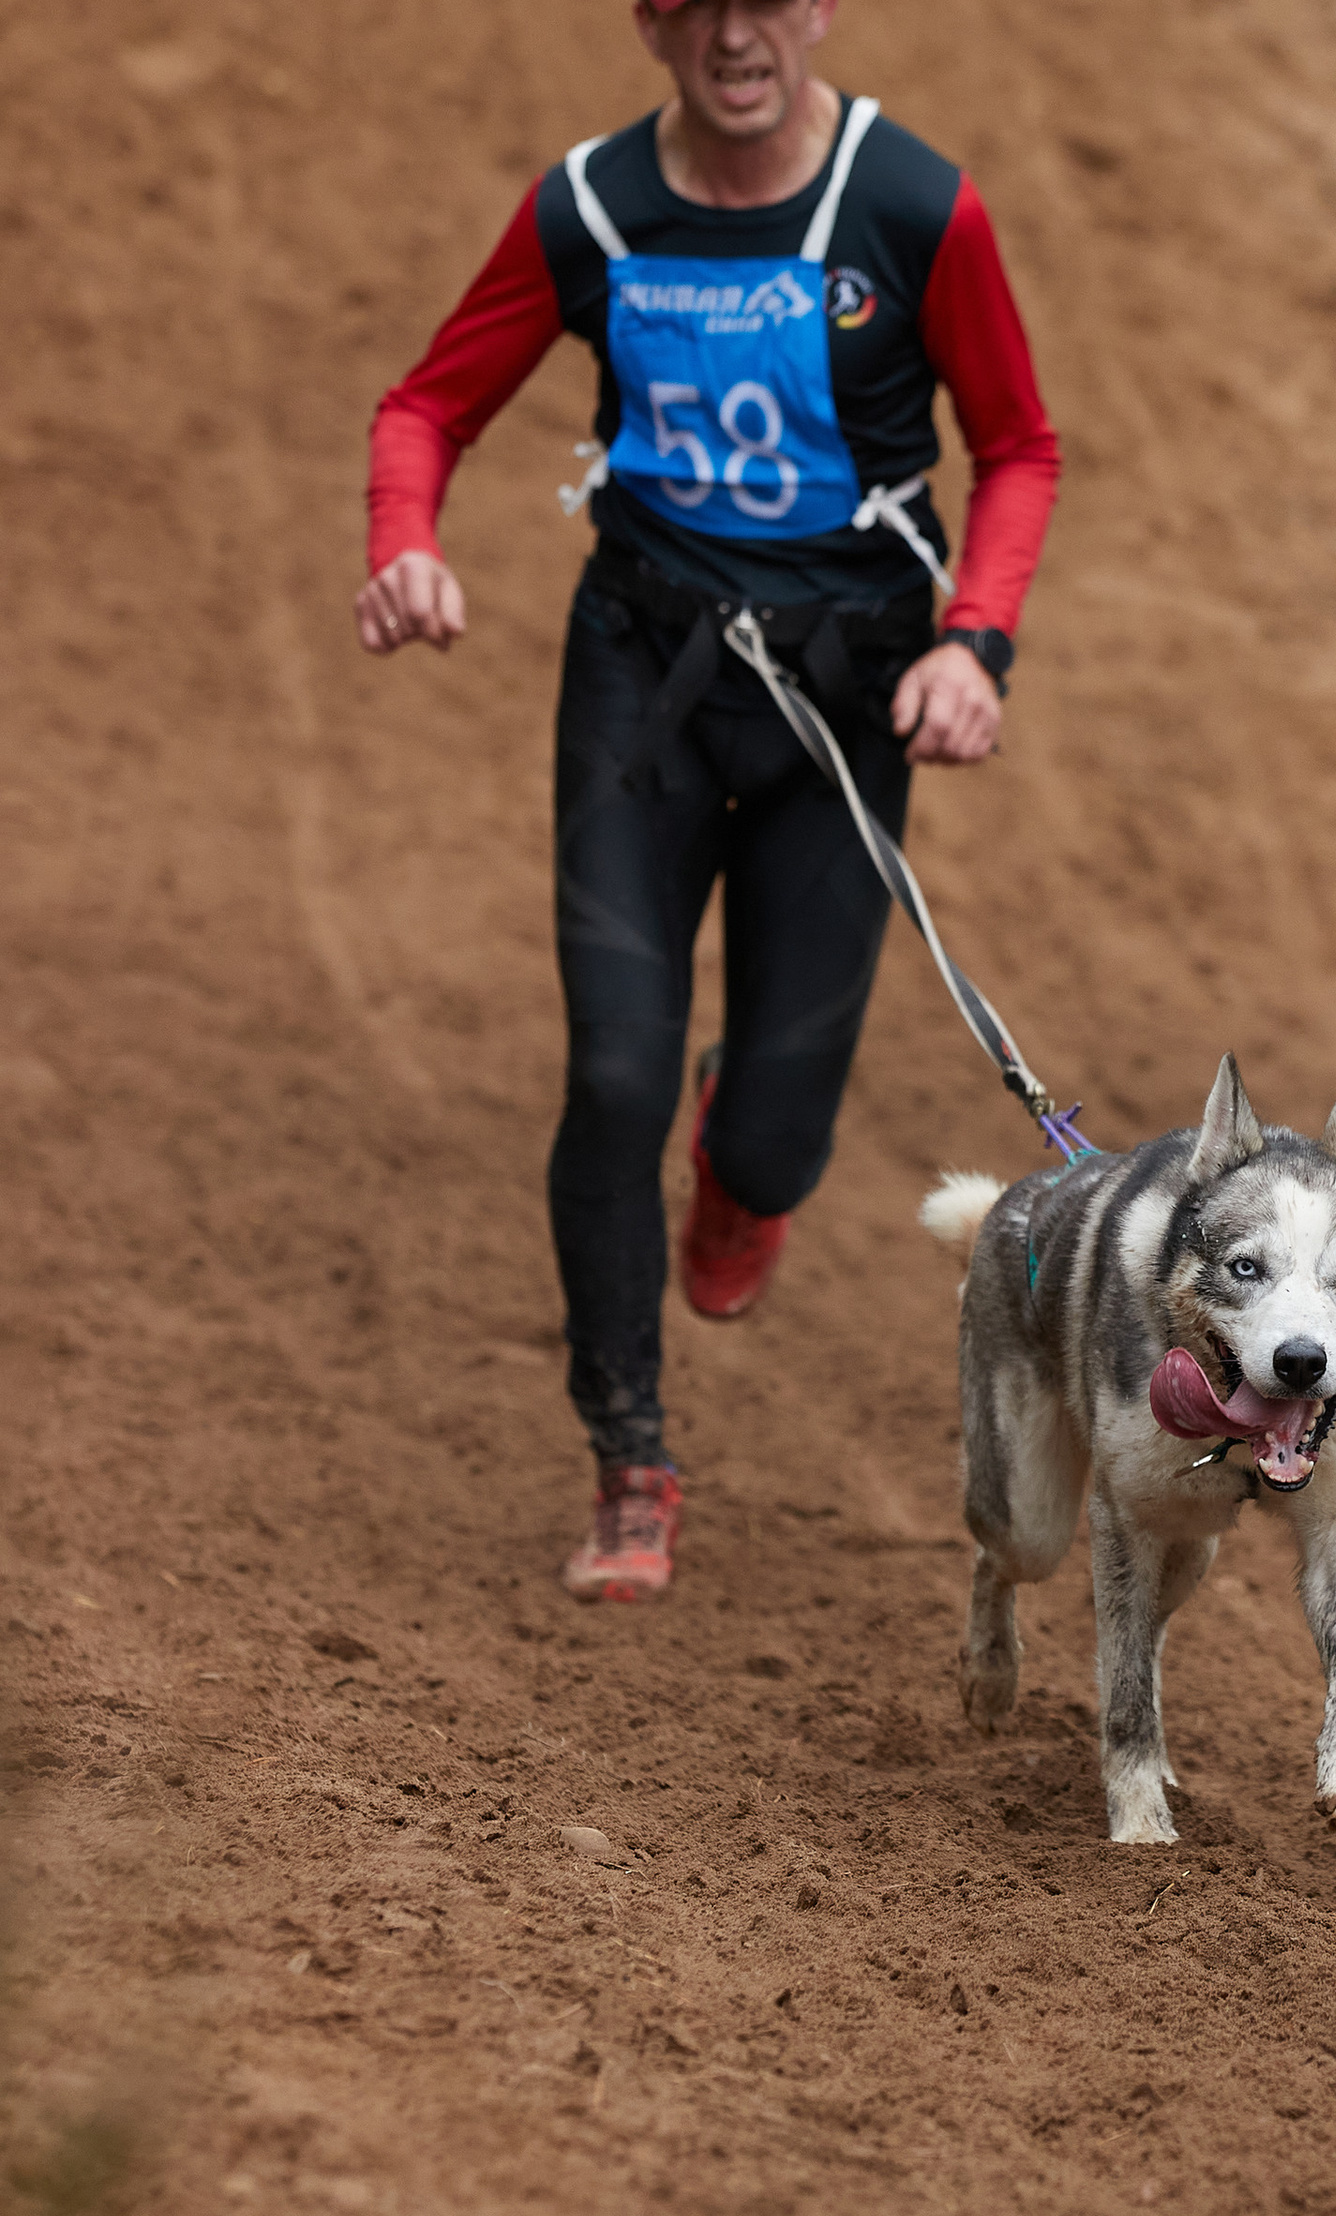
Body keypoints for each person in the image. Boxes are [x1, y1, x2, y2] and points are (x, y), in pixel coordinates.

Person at [357, 0, 1058, 1603]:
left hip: (848, 694)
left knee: (776, 1141)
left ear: (816, 11)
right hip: (644, 678)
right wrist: (406, 534)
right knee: (612, 1071)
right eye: (698, 4)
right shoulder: (592, 209)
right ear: (651, 22)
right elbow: (427, 405)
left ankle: (743, 1153)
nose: (736, 35)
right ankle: (630, 1456)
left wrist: (977, 645)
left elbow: (1018, 446)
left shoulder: (911, 203)